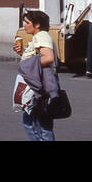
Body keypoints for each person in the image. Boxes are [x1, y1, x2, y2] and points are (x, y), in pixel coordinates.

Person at [14, 9, 61, 140]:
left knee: (33, 123)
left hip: (40, 86)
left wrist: (26, 64)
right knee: (41, 122)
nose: (24, 25)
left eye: (27, 22)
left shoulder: (42, 36)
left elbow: (48, 57)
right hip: (42, 84)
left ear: (37, 25)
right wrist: (23, 53)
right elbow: (38, 58)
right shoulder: (39, 37)